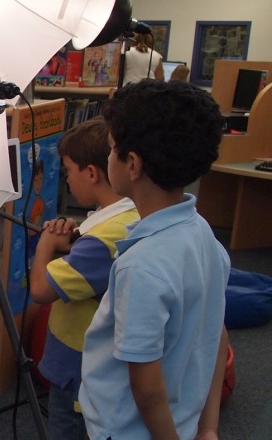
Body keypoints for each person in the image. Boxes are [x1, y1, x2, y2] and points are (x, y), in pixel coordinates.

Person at [79, 79, 230, 440]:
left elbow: (145, 389)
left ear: (131, 163)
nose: (108, 156)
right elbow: (217, 335)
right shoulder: (203, 233)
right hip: (184, 421)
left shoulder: (142, 267)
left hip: (130, 431)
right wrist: (208, 427)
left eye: (111, 148)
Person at [28, 117, 139, 439]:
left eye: (67, 172)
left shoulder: (101, 241)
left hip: (80, 366)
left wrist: (47, 244)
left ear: (90, 173)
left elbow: (39, 290)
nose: (66, 181)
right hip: (98, 366)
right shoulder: (129, 216)